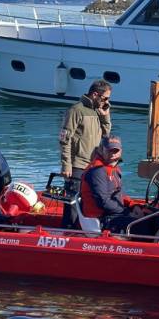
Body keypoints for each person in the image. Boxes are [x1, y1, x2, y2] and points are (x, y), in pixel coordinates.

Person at [59, 79, 113, 228]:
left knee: (89, 201)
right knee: (72, 203)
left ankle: (82, 230)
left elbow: (106, 134)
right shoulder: (76, 110)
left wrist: (105, 116)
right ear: (95, 94)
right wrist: (66, 165)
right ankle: (68, 230)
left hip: (93, 166)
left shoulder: (98, 111)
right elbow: (64, 139)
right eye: (105, 98)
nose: (107, 102)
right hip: (77, 165)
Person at [80, 135, 136, 233]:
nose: (113, 154)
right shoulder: (97, 171)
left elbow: (119, 194)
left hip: (112, 213)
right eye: (109, 150)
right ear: (102, 150)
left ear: (121, 151)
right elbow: (103, 201)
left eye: (116, 151)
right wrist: (127, 212)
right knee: (143, 225)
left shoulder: (114, 169)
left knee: (148, 215)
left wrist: (133, 205)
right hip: (101, 219)